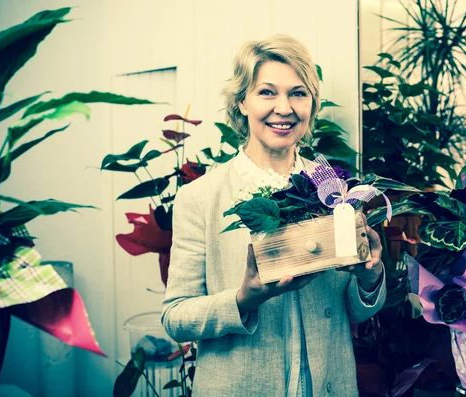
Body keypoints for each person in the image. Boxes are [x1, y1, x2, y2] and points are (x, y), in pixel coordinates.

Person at [162, 34, 387, 397]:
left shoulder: (335, 188)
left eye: (298, 93)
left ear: (312, 105)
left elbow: (357, 311)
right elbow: (176, 317)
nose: (284, 108)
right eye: (267, 92)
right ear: (242, 102)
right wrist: (243, 299)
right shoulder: (201, 197)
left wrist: (370, 275)